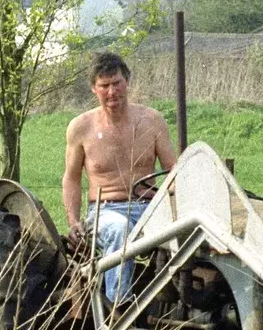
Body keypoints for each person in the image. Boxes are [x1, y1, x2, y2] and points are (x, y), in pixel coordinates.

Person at [62, 52, 178, 304]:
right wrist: (73, 221)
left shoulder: (152, 120)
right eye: (104, 86)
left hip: (151, 207)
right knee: (119, 230)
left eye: (117, 83)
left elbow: (174, 170)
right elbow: (71, 178)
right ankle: (119, 307)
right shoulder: (81, 127)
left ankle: (182, 303)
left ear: (127, 82)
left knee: (192, 233)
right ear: (94, 89)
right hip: (105, 211)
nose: (112, 92)